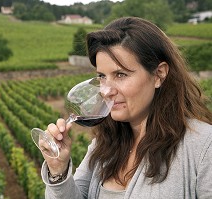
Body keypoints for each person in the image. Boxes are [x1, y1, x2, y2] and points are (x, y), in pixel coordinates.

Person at [40, 17, 212, 199]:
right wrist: (58, 170)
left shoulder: (203, 146)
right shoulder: (104, 145)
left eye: (120, 74)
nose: (106, 91)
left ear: (159, 75)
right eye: (102, 76)